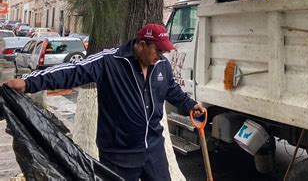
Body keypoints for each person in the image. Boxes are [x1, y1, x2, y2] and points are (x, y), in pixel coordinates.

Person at [4, 23, 205, 181]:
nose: (162, 55)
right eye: (158, 50)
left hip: (153, 149)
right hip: (119, 153)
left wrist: (190, 105)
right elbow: (71, 72)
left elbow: (171, 89)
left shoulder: (162, 65)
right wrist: (28, 83)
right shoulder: (109, 61)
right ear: (142, 45)